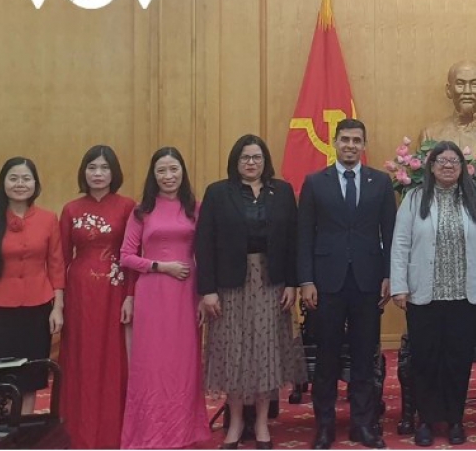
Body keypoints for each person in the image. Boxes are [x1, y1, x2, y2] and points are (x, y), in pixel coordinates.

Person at [196, 134, 307, 450]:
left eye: (257, 157)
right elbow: (203, 244)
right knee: (233, 351)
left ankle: (261, 423)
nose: (251, 163)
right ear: (235, 161)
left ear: (265, 161)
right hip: (229, 285)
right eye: (245, 157)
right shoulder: (218, 193)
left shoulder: (282, 192)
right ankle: (235, 422)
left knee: (264, 352)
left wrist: (292, 283)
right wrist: (208, 291)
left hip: (271, 283)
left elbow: (293, 241)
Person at [390, 140, 476, 447]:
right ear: (432, 166)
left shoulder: (475, 200)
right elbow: (400, 245)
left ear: (462, 168)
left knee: (458, 359)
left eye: (454, 161)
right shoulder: (414, 200)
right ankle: (425, 420)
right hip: (424, 295)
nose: (448, 165)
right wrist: (399, 286)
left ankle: (454, 419)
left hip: (464, 297)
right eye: (442, 161)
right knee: (425, 359)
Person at [298, 119, 397, 450]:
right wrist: (306, 280)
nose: (351, 145)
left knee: (364, 357)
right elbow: (304, 236)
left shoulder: (380, 183)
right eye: (345, 139)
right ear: (335, 142)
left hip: (368, 282)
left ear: (364, 145)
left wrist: (389, 275)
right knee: (326, 357)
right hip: (326, 282)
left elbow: (391, 233)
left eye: (357, 140)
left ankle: (363, 425)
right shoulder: (315, 182)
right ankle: (324, 426)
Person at [119, 147, 210, 449]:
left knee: (184, 366)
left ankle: (185, 432)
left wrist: (202, 297)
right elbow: (126, 256)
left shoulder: (195, 208)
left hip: (187, 294)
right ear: (153, 175)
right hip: (153, 292)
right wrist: (160, 266)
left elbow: (205, 254)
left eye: (173, 169)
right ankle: (149, 432)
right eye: (162, 171)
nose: (168, 176)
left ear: (182, 171)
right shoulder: (142, 210)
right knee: (151, 365)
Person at [0, 157, 64, 415]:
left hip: (37, 309)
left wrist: (58, 308)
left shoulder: (48, 219)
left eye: (26, 178)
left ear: (35, 183)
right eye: (13, 178)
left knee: (30, 378)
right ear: (3, 183)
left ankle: (24, 433)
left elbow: (56, 266)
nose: (20, 184)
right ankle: (0, 432)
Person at [58, 145, 136, 449]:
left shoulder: (128, 206)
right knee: (82, 355)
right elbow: (61, 260)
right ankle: (80, 429)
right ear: (84, 172)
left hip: (116, 288)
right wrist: (59, 302)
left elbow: (133, 255)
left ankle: (114, 429)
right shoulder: (70, 209)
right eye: (92, 167)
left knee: (115, 355)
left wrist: (131, 295)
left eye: (104, 168)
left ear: (114, 172)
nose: (98, 174)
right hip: (79, 291)